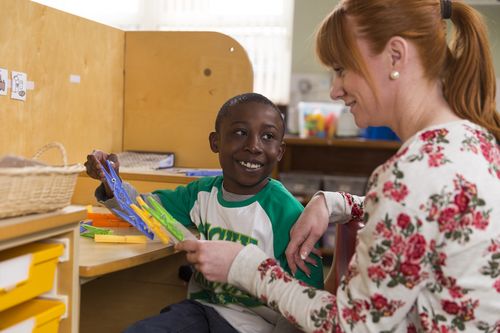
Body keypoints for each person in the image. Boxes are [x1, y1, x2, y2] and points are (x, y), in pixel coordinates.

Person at [175, 0, 500, 331]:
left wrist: (243, 266)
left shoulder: (412, 173)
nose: (334, 90)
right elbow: (430, 217)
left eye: (342, 69)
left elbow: (350, 325)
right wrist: (338, 203)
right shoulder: (473, 141)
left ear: (395, 56)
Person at [84, 92, 324, 333]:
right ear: (215, 142)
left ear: (280, 151)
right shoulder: (200, 193)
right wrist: (111, 180)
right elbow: (144, 210)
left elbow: (308, 299)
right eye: (240, 132)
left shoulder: (288, 213)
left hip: (257, 326)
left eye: (268, 136)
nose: (253, 146)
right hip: (203, 311)